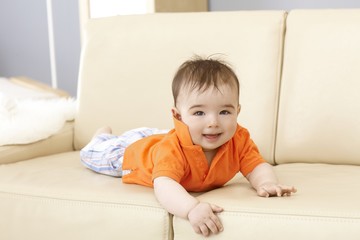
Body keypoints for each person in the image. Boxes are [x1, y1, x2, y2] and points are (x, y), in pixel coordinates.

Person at [80, 56, 297, 237]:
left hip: (162, 138)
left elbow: (256, 165)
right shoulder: (171, 150)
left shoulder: (238, 139)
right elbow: (164, 185)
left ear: (237, 111)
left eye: (224, 112)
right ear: (178, 115)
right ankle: (102, 137)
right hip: (131, 154)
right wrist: (191, 208)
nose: (213, 122)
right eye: (199, 113)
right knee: (92, 154)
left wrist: (266, 182)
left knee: (157, 137)